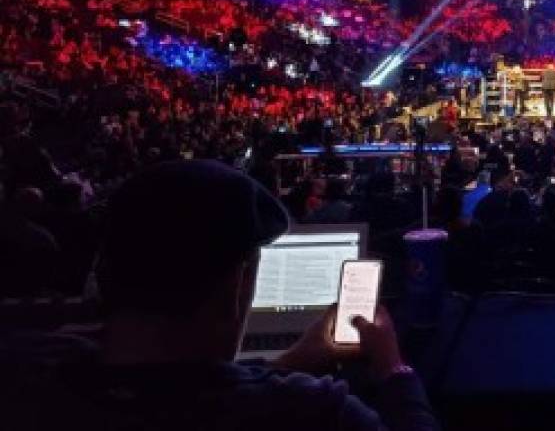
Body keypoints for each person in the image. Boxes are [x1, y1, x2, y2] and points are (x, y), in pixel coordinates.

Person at [0, 160, 436, 431]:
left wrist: (285, 363)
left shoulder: (28, 379)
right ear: (236, 289)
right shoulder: (309, 410)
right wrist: (394, 369)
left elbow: (173, 390)